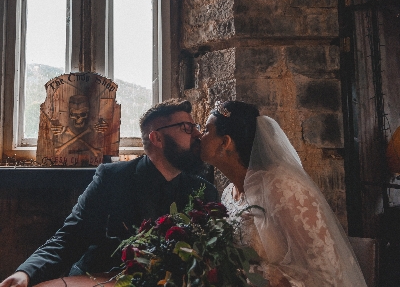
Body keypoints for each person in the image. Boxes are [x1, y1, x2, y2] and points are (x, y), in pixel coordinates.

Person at [0, 99, 218, 287]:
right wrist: (25, 272)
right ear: (157, 138)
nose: (198, 134)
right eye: (186, 127)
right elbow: (70, 237)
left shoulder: (204, 192)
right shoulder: (112, 178)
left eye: (195, 126)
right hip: (97, 280)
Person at [200, 100, 367, 287]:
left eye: (206, 130)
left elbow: (326, 270)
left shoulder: (281, 188)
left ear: (225, 142)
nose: (200, 135)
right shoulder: (228, 194)